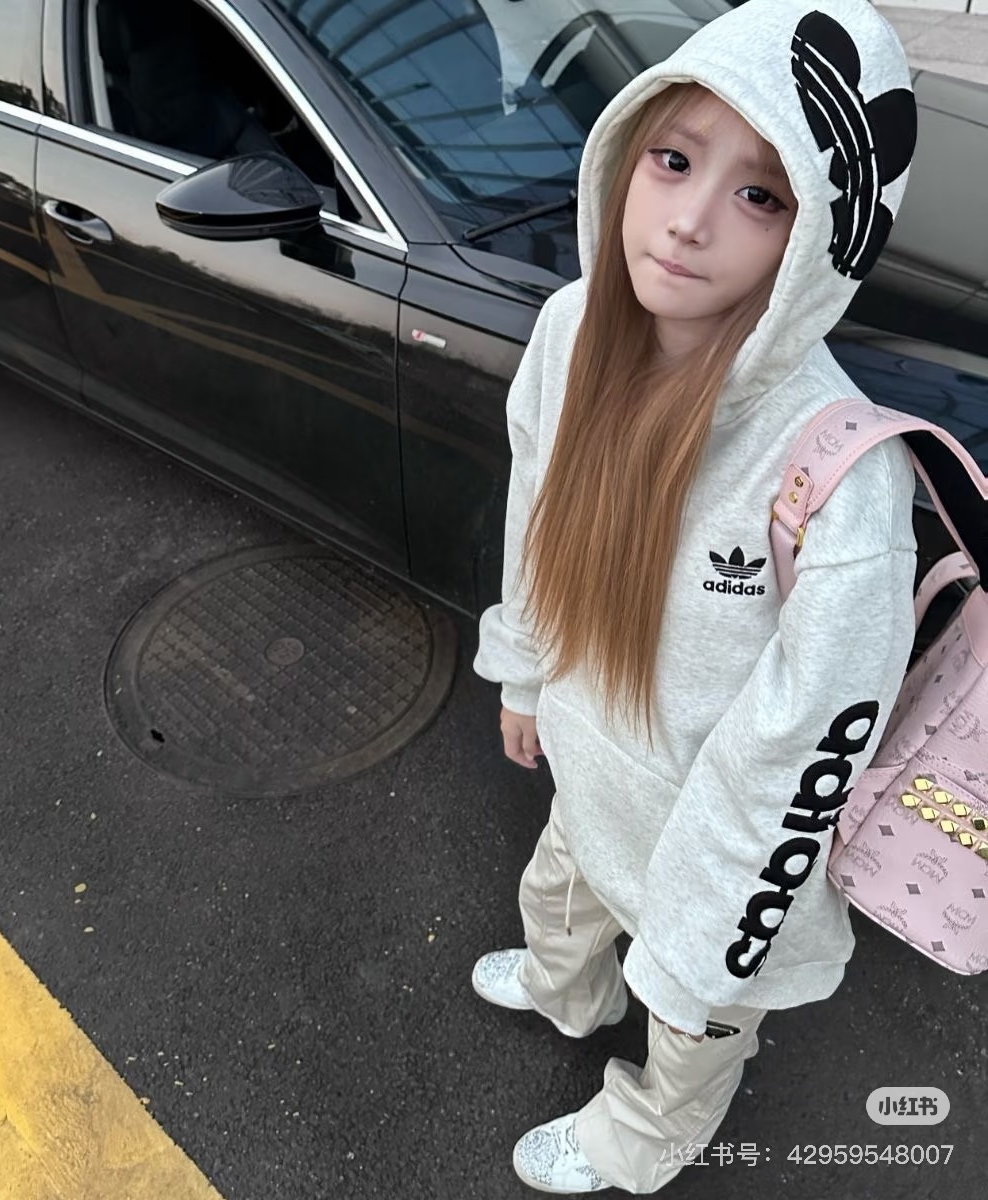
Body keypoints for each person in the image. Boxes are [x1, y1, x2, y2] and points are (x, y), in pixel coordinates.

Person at [471, 0, 920, 1193]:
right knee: (560, 892)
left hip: (718, 837)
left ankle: (644, 1142)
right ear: (624, 151)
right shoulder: (573, 330)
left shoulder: (839, 473)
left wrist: (706, 937)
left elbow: (804, 749)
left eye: (760, 194)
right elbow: (537, 517)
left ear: (819, 236)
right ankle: (565, 989)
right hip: (590, 760)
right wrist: (526, 673)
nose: (688, 219)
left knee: (695, 1026)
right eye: (673, 159)